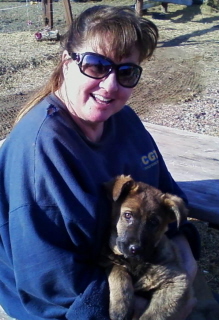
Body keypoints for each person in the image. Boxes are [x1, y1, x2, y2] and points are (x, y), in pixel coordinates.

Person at [0, 5, 201, 320]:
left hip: (143, 266)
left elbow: (166, 194)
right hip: (79, 304)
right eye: (96, 66)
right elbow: (52, 283)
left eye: (126, 72)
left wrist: (186, 259)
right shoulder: (44, 150)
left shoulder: (125, 120)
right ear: (67, 63)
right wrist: (148, 307)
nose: (110, 86)